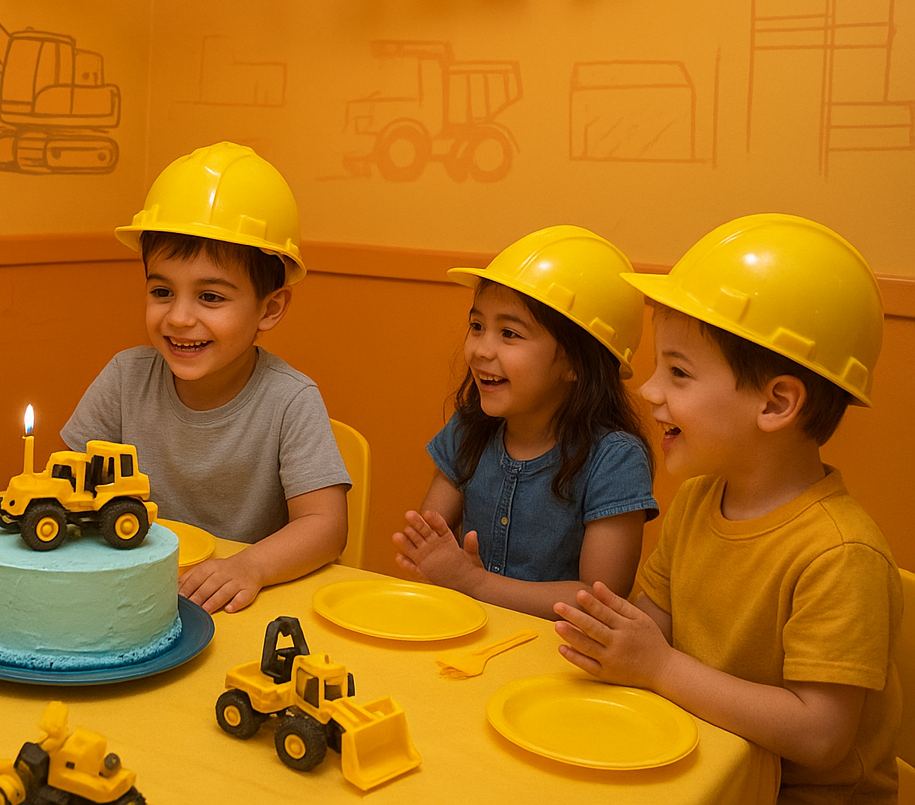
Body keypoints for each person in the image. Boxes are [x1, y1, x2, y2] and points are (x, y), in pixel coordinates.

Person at [553, 214, 900, 804]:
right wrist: (611, 641)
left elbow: (820, 736)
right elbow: (653, 625)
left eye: (679, 372)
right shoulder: (697, 499)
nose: (649, 390)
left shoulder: (841, 555)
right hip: (706, 767)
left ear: (776, 403)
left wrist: (659, 668)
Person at [62, 142, 350, 614]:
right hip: (133, 599)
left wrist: (251, 567)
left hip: (238, 606)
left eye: (210, 297)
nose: (178, 317)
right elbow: (69, 484)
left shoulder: (291, 400)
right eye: (162, 291)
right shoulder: (124, 378)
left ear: (269, 308)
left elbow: (326, 527)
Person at [392, 226, 656, 620]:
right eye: (477, 326)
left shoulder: (615, 459)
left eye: (510, 333)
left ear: (576, 363)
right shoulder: (469, 427)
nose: (481, 350)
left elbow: (599, 600)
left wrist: (475, 583)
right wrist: (433, 565)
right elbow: (430, 542)